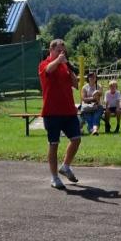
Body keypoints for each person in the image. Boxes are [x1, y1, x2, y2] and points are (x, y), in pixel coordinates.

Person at [38, 39, 81, 190]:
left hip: (69, 111)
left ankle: (66, 166)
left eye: (64, 51)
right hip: (52, 112)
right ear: (51, 50)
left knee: (76, 139)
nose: (62, 54)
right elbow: (49, 70)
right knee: (54, 144)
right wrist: (58, 60)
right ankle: (54, 177)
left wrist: (69, 68)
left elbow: (76, 85)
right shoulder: (45, 63)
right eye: (59, 51)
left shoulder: (64, 66)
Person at [80, 71, 104, 136]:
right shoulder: (84, 87)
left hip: (97, 106)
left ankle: (93, 130)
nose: (92, 78)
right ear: (88, 78)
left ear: (96, 78)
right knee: (89, 117)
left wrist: (95, 96)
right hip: (87, 107)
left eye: (94, 77)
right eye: (90, 77)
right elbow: (83, 99)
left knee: (96, 117)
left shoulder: (99, 86)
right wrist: (93, 98)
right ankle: (94, 130)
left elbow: (100, 95)